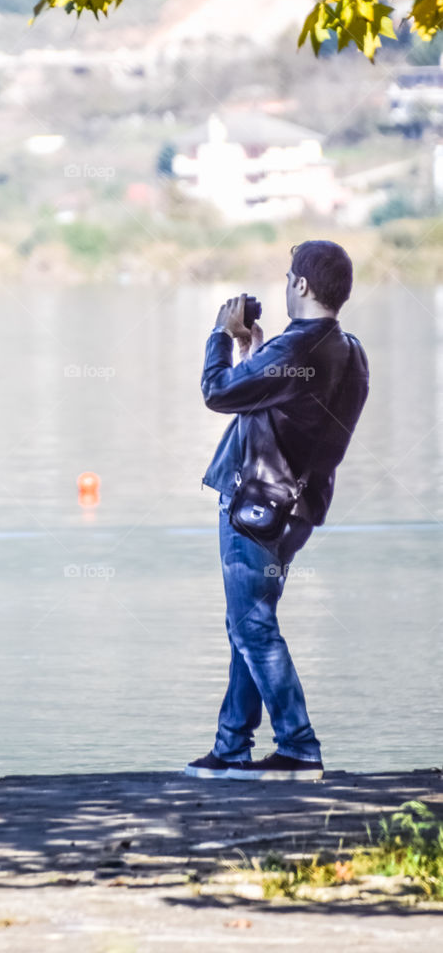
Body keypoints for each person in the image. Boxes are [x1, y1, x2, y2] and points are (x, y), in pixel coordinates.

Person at [184, 240, 370, 781]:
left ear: (303, 286)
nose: (286, 285)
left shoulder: (296, 351)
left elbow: (218, 392)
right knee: (248, 623)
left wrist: (222, 334)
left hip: (257, 507)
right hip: (300, 508)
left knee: (252, 625)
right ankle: (231, 748)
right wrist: (257, 347)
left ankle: (298, 746)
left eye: (290, 277)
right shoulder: (348, 349)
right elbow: (287, 408)